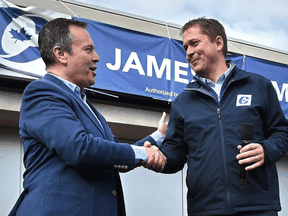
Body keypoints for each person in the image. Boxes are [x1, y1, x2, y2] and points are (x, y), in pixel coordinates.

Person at [9, 18, 167, 216]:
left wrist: (159, 135)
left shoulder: (87, 106)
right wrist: (145, 154)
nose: (97, 57)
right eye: (88, 49)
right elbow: (80, 148)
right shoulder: (42, 92)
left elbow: (115, 152)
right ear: (61, 54)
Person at [148, 17, 288, 216]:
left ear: (218, 43)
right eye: (185, 47)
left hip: (258, 208)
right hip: (205, 210)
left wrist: (267, 149)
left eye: (194, 43)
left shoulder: (259, 87)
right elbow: (176, 151)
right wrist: (159, 158)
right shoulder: (183, 101)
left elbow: (282, 132)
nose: (188, 52)